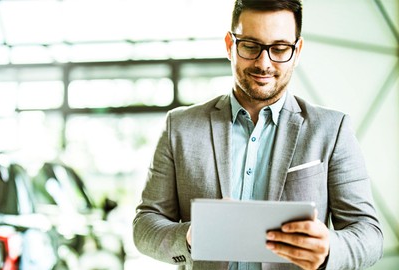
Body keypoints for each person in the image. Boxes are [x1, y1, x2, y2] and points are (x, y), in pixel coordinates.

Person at [133, 0, 383, 269]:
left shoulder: (332, 130)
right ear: (230, 46)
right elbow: (145, 225)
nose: (264, 63)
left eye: (279, 48)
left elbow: (369, 235)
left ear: (297, 51)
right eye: (251, 46)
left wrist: (329, 249)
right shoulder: (180, 126)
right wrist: (191, 238)